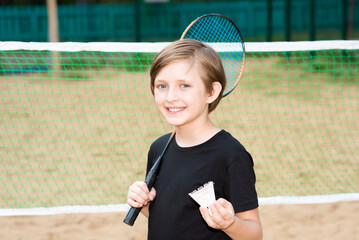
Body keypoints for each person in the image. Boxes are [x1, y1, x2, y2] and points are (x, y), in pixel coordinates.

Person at [127, 39, 262, 240]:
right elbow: (166, 216)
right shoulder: (158, 148)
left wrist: (230, 223)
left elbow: (254, 234)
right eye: (162, 85)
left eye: (184, 85)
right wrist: (143, 202)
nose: (171, 96)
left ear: (211, 92)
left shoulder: (231, 156)